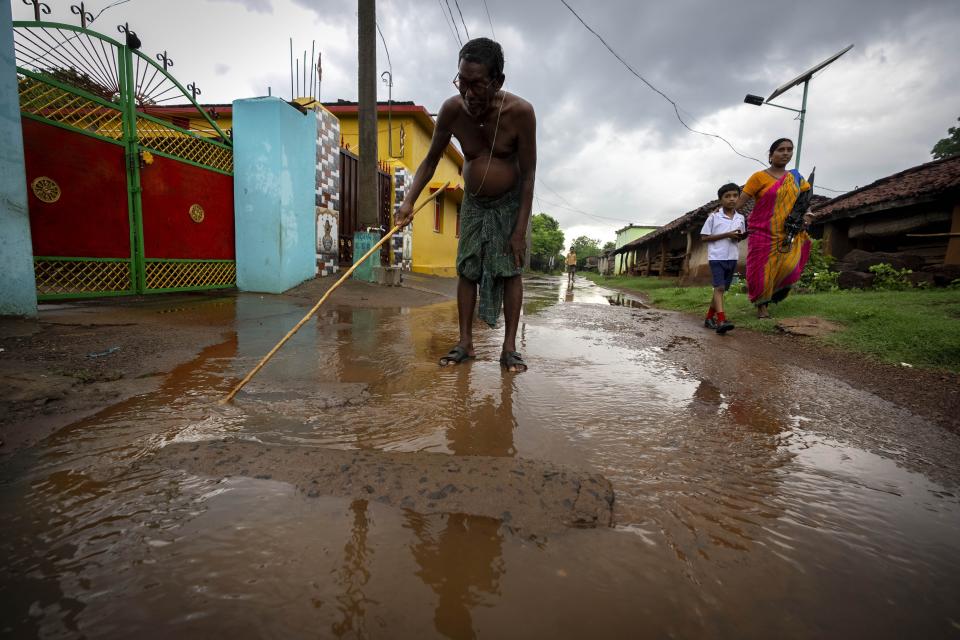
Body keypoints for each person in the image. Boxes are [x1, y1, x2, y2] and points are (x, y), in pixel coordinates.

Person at [395, 38, 536, 372]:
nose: (468, 93)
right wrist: (408, 202)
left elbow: (529, 175)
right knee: (467, 268)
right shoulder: (452, 110)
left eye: (477, 84)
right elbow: (430, 161)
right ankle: (465, 343)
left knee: (510, 270)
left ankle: (509, 348)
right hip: (474, 203)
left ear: (498, 81)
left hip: (510, 202)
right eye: (462, 81)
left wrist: (519, 232)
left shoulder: (521, 114)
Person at [734, 138, 814, 318]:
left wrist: (808, 214)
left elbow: (804, 201)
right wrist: (721, 213)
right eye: (780, 150)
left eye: (789, 150)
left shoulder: (796, 178)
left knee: (788, 265)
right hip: (761, 232)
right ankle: (762, 307)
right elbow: (741, 202)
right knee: (761, 271)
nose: (785, 153)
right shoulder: (758, 177)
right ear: (771, 155)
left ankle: (774, 295)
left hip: (786, 232)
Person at [700, 183, 746, 334]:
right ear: (721, 200)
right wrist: (727, 234)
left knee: (721, 290)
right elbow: (704, 237)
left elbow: (739, 237)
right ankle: (721, 320)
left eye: (735, 196)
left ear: (738, 198)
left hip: (732, 257)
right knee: (719, 288)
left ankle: (708, 318)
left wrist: (739, 237)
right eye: (727, 196)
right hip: (716, 257)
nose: (731, 199)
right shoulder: (714, 217)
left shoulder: (741, 218)